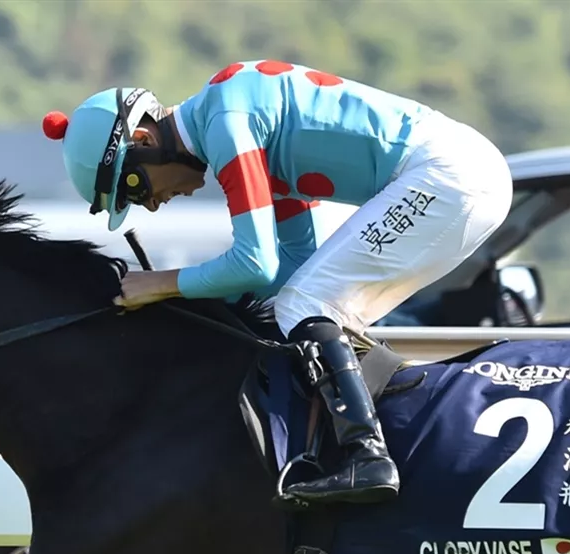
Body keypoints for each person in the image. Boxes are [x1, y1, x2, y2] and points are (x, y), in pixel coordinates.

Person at [42, 61, 513, 506]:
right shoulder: (235, 122)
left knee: (306, 305)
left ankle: (367, 456)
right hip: (463, 175)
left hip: (448, 176)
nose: (152, 204)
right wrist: (187, 300)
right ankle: (375, 435)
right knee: (312, 303)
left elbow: (256, 262)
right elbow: (292, 264)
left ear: (145, 139)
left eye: (135, 187)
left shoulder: (226, 120)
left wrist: (161, 284)